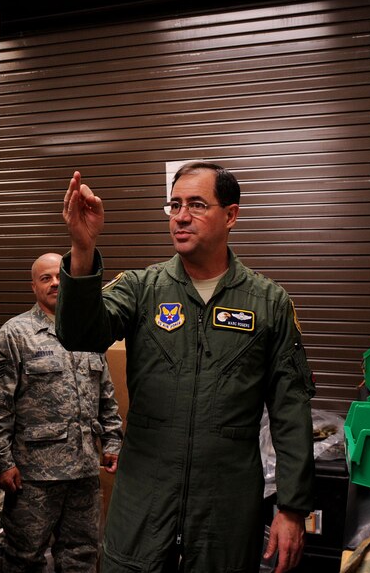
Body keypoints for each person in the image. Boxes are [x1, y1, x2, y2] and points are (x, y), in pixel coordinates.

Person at [57, 162, 316, 573]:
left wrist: (292, 507)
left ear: (230, 215)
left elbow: (291, 411)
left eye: (196, 204)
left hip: (226, 504)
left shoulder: (269, 303)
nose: (180, 216)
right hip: (144, 496)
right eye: (174, 205)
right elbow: (80, 335)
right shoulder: (142, 288)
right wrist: (83, 249)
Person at [0, 252, 124, 572]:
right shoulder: (15, 334)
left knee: (83, 555)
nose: (56, 282)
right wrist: (1, 462)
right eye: (46, 278)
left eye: (61, 275)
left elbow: (106, 395)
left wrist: (113, 440)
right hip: (32, 477)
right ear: (33, 286)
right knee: (23, 557)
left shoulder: (90, 331)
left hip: (84, 474)